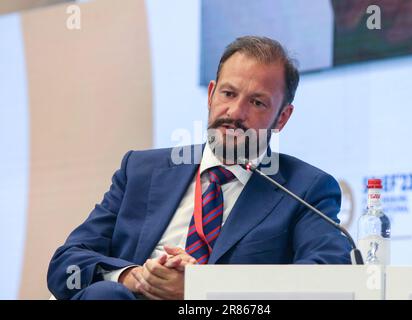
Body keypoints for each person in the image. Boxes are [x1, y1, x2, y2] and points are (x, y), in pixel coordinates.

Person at [47, 36, 351, 300]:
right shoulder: (141, 170)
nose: (235, 113)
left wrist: (203, 287)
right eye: (228, 94)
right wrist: (131, 277)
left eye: (257, 103)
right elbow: (67, 263)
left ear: (282, 117)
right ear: (211, 94)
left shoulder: (304, 188)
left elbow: (328, 274)